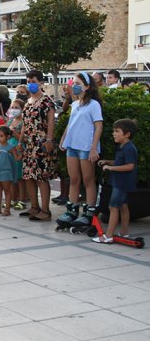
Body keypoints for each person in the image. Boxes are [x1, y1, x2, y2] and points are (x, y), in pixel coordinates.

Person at [57, 72, 103, 228]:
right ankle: (72, 211)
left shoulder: (94, 105)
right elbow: (71, 124)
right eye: (74, 83)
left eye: (78, 83)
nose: (74, 86)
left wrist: (93, 148)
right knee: (74, 179)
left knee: (88, 180)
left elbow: (98, 126)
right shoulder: (75, 104)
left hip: (86, 148)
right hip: (73, 146)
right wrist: (63, 139)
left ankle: (89, 213)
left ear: (87, 86)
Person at [20, 70, 57, 221]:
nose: (31, 84)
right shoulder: (28, 102)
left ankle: (45, 210)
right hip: (29, 144)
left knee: (41, 177)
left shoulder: (47, 101)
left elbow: (50, 122)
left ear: (41, 83)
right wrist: (21, 139)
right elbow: (25, 123)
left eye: (34, 81)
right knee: (29, 176)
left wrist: (49, 140)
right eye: (29, 81)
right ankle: (34, 206)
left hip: (41, 143)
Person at [94, 119, 138, 243]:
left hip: (122, 183)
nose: (113, 133)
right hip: (120, 181)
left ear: (127, 134)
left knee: (113, 207)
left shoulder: (129, 148)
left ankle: (108, 236)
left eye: (117, 131)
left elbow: (130, 166)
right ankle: (124, 232)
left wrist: (111, 168)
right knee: (123, 206)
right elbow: (120, 162)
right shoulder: (122, 146)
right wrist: (108, 162)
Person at [0, 126, 21, 216]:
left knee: (7, 190)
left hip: (5, 172)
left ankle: (7, 209)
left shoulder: (11, 147)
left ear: (8, 137)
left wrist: (23, 153)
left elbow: (17, 159)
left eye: (1, 136)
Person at [5, 99, 26, 210]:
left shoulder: (24, 122)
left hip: (18, 149)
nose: (13, 110)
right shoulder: (10, 121)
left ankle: (22, 200)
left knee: (20, 177)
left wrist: (14, 133)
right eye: (12, 107)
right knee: (12, 177)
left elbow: (24, 139)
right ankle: (12, 199)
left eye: (16, 108)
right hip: (9, 150)